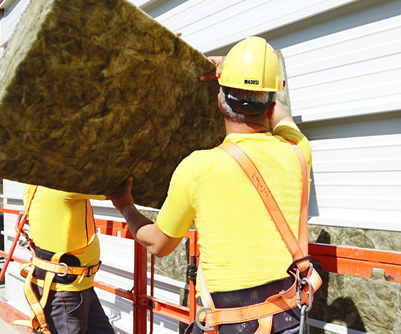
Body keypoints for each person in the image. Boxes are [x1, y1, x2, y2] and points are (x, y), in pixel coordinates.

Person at [106, 36, 320, 334]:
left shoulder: (198, 167)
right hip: (289, 320)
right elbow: (279, 113)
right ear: (271, 105)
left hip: (230, 325)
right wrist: (245, 77)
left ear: (220, 102)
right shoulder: (298, 152)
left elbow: (158, 243)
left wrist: (125, 205)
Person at [18, 185, 114, 334]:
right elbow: (116, 189)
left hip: (75, 286)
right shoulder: (63, 183)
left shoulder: (34, 184)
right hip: (65, 292)